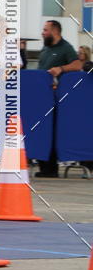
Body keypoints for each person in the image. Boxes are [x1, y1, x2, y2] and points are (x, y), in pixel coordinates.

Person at [35, 20, 81, 178]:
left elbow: (77, 65)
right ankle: (43, 166)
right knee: (41, 131)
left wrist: (61, 69)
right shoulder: (45, 48)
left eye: (45, 29)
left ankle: (51, 168)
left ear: (55, 31)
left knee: (52, 132)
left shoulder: (66, 48)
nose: (42, 32)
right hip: (41, 97)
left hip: (56, 98)